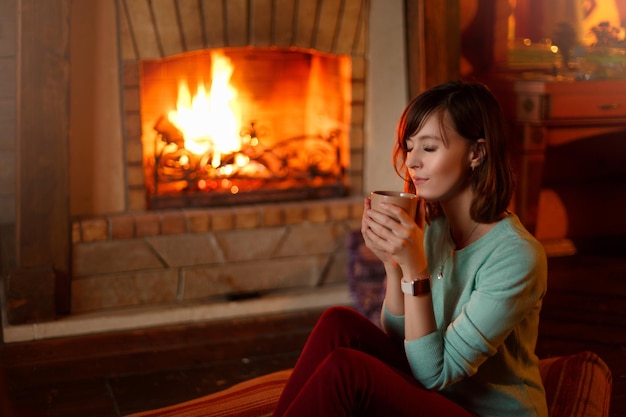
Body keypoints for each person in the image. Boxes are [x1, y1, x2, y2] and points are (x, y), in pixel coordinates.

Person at [272, 81, 548, 417]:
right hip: (441, 398)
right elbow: (402, 343)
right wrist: (393, 264)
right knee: (338, 323)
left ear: (476, 153)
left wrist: (416, 271)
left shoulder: (515, 256)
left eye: (429, 149)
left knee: (347, 371)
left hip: (482, 411)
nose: (412, 162)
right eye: (409, 146)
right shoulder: (433, 229)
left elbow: (435, 374)